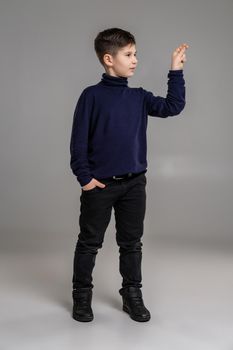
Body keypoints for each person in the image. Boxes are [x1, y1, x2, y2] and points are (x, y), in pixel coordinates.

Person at [69, 27, 188, 322]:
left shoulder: (139, 97)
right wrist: (85, 178)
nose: (135, 60)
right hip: (99, 186)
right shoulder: (91, 96)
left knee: (131, 243)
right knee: (89, 242)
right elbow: (78, 143)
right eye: (129, 54)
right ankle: (81, 295)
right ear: (109, 59)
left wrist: (175, 71)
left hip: (134, 184)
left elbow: (173, 106)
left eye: (135, 54)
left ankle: (132, 294)